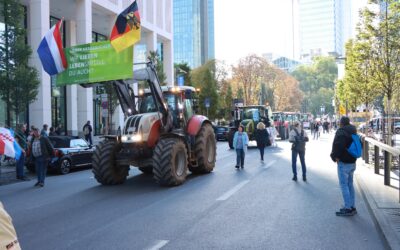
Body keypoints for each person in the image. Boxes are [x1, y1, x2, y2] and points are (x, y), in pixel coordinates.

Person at [330, 116, 358, 216]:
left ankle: (347, 208)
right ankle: (352, 206)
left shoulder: (341, 132)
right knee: (350, 184)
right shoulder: (353, 130)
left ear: (341, 123)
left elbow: (338, 146)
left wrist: (334, 156)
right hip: (352, 162)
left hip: (344, 162)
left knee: (344, 185)